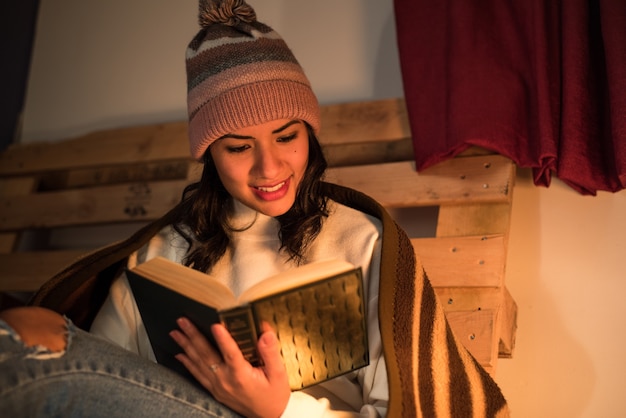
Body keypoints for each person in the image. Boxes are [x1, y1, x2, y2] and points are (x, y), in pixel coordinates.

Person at [1, 1, 510, 417]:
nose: (270, 168)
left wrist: (282, 408)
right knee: (28, 331)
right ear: (209, 155)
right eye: (239, 147)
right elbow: (108, 384)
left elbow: (403, 407)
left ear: (309, 132)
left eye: (287, 137)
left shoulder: (362, 241)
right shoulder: (164, 253)